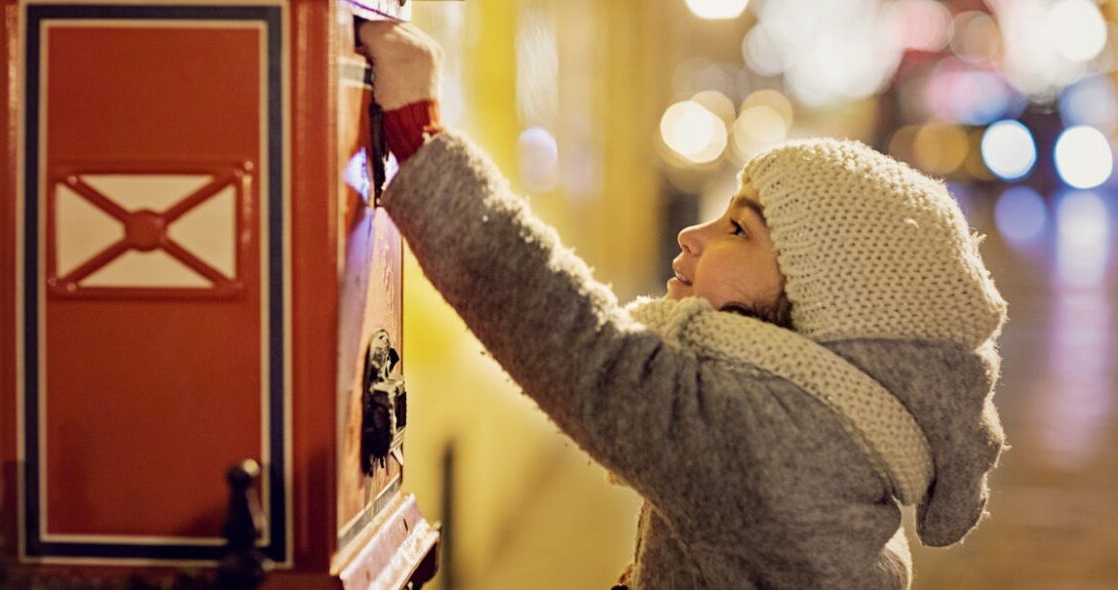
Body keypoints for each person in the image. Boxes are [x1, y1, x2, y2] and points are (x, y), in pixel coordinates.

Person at [360, 20, 1008, 590]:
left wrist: (422, 134)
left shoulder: (764, 442)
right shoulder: (834, 439)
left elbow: (576, 343)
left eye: (738, 230)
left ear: (823, 309)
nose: (692, 236)